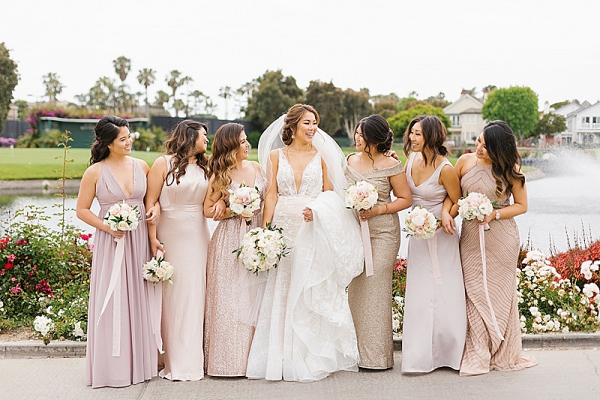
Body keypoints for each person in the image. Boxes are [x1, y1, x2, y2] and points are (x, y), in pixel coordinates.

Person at [246, 104, 364, 382]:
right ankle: (280, 357)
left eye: (315, 123)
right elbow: (271, 195)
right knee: (283, 287)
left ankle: (311, 355)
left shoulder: (322, 156)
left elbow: (331, 195)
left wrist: (319, 211)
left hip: (311, 226)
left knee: (308, 287)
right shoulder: (275, 156)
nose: (312, 129)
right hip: (283, 227)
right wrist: (265, 232)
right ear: (293, 127)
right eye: (307, 124)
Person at [76, 116, 159, 388]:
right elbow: (82, 210)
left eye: (129, 136)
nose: (129, 141)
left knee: (139, 296)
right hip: (111, 243)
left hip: (139, 242)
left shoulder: (142, 166)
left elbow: (153, 200)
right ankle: (112, 369)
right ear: (108, 143)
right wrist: (109, 227)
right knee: (112, 300)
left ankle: (141, 364)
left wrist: (156, 209)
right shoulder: (95, 172)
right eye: (123, 139)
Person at [451, 120, 537, 376]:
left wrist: (493, 215)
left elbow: (521, 205)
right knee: (473, 290)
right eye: (478, 141)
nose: (479, 148)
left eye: (486, 146)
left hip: (501, 237)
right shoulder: (464, 162)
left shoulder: (510, 169)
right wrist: (446, 214)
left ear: (498, 149)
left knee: (501, 292)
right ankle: (478, 350)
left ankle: (501, 350)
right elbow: (453, 196)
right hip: (469, 237)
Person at [145, 119, 213, 381]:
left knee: (195, 295)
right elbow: (150, 204)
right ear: (189, 135)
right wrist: (153, 239)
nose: (207, 139)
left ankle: (193, 359)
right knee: (172, 296)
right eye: (203, 135)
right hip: (169, 234)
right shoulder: (163, 163)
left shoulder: (208, 166)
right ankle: (170, 359)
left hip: (197, 233)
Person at [344, 114, 412, 369]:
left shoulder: (390, 165)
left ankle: (378, 358)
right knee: (356, 291)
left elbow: (405, 199)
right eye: (357, 134)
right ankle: (355, 354)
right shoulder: (349, 161)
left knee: (375, 290)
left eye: (361, 134)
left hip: (383, 233)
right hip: (354, 233)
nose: (357, 138)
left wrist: (378, 210)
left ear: (373, 137)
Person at [401, 115, 466, 373]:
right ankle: (418, 356)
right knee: (419, 293)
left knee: (444, 291)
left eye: (417, 134)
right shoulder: (409, 159)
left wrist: (444, 215)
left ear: (431, 136)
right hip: (417, 237)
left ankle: (448, 353)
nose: (412, 139)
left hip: (442, 237)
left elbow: (457, 199)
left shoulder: (446, 169)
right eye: (411, 133)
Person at [203, 123, 266, 376]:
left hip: (256, 236)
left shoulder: (258, 168)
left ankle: (255, 361)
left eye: (246, 139)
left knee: (254, 298)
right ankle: (227, 362)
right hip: (229, 240)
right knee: (228, 301)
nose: (247, 144)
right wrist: (231, 209)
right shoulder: (220, 175)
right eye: (242, 141)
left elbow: (269, 199)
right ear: (230, 146)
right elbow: (208, 210)